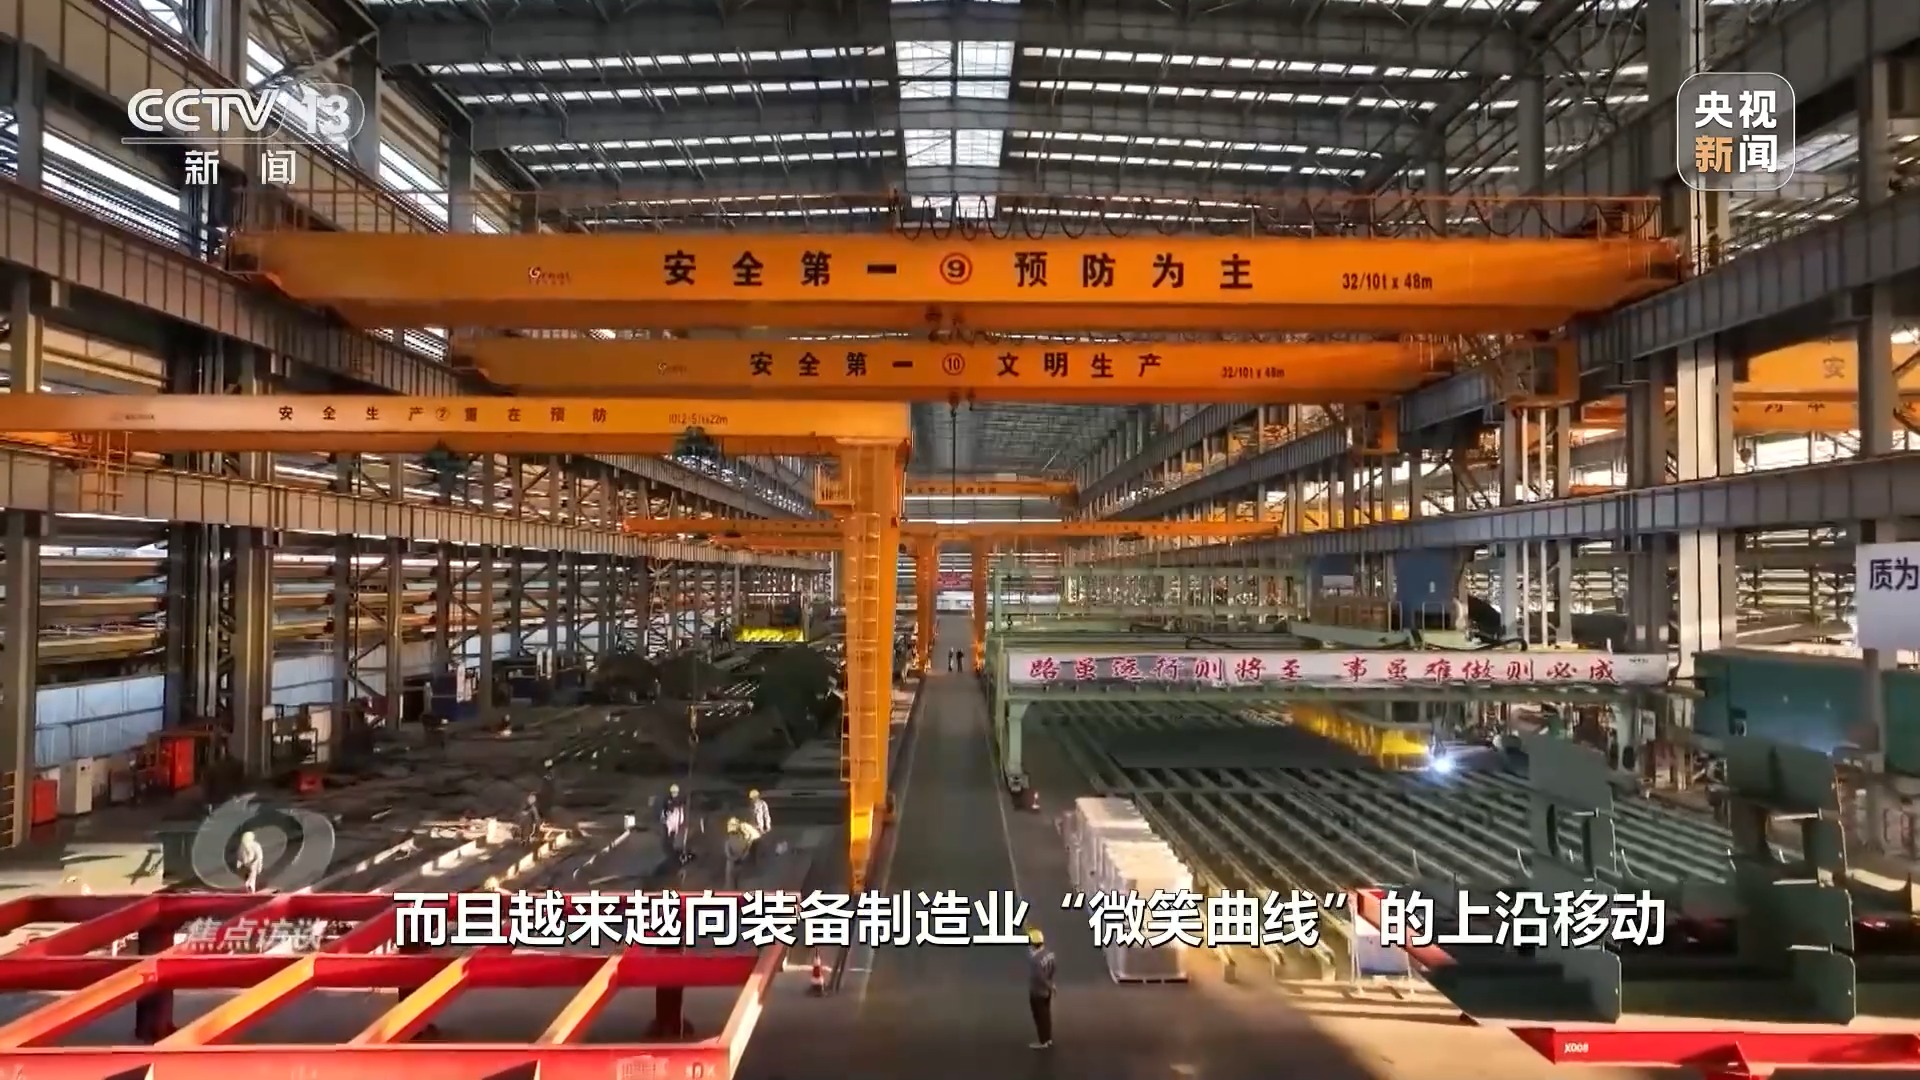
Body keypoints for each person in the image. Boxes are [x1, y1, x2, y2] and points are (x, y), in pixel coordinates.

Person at [1026, 927, 1056, 1049]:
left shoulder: (1035, 960)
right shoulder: (1050, 954)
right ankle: (1048, 1038)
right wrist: (1051, 984)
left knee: (1039, 1017)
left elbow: (1040, 977)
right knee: (1046, 1015)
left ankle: (1042, 1041)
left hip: (1037, 992)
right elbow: (1053, 969)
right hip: (1046, 992)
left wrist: (1049, 986)